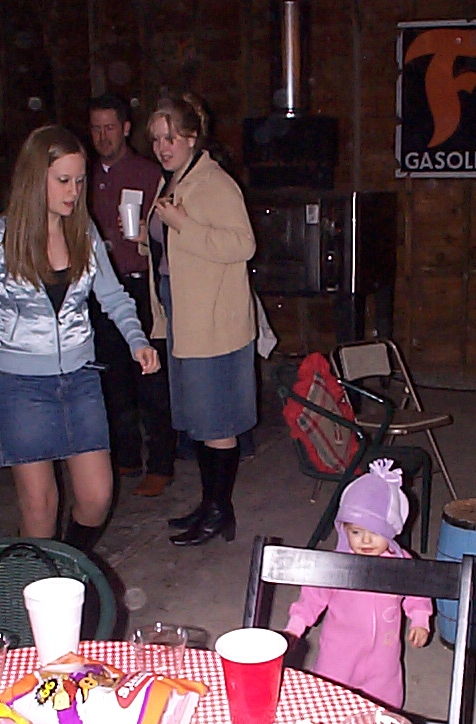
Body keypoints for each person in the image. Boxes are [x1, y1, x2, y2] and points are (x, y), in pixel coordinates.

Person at [0, 125, 159, 554]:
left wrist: (137, 339)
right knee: (39, 509)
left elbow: (112, 295)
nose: (74, 192)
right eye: (63, 180)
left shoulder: (83, 232)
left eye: (80, 181)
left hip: (80, 379)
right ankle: (41, 579)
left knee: (96, 499)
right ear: (35, 178)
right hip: (21, 387)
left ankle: (67, 564)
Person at [142, 94, 257, 546]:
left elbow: (243, 244)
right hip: (183, 313)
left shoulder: (214, 183)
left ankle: (219, 512)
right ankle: (210, 505)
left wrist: (183, 225)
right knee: (201, 422)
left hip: (213, 322)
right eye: (156, 139)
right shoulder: (173, 180)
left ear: (192, 137)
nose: (162, 147)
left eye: (170, 138)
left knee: (217, 423)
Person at [283, 460, 432, 709]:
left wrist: (420, 618)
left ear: (391, 531)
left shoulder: (401, 563)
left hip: (383, 654)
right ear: (344, 530)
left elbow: (417, 591)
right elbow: (311, 598)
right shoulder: (338, 564)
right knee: (331, 698)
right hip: (339, 652)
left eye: (375, 533)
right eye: (355, 532)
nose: (365, 541)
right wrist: (295, 628)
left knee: (384, 701)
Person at [87, 95, 175, 497]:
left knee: (150, 379)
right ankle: (125, 456)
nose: (103, 136)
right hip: (98, 289)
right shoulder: (83, 176)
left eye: (110, 127)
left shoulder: (148, 173)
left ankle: (160, 464)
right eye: (96, 128)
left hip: (140, 285)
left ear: (125, 128)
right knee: (112, 378)